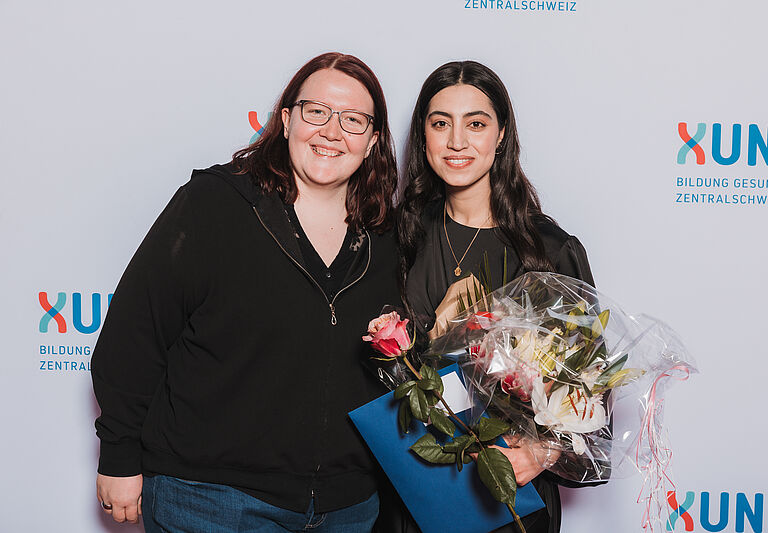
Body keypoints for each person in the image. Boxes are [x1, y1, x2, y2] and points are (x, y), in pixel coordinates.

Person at [91, 52, 400, 532]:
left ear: (372, 139)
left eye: (353, 120)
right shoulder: (215, 204)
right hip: (211, 499)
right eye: (316, 112)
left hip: (348, 507)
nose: (331, 131)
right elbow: (135, 332)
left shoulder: (386, 234)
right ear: (286, 119)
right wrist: (119, 454)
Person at [389, 61, 603, 533]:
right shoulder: (397, 237)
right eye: (440, 123)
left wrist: (541, 452)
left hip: (510, 499)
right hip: (412, 493)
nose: (456, 141)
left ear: (501, 134)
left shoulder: (548, 250)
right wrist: (438, 338)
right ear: (423, 135)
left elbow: (593, 392)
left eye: (476, 124)